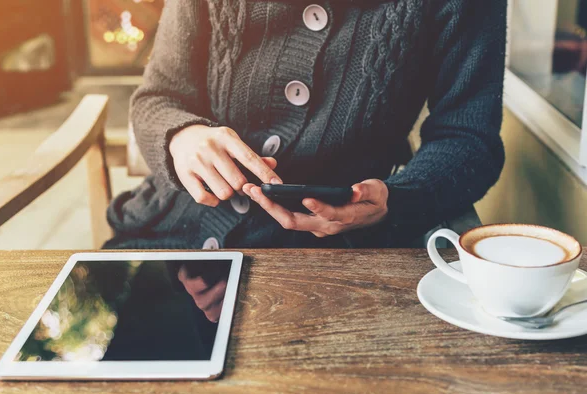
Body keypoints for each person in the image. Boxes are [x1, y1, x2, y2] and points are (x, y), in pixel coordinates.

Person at [105, 0, 507, 250]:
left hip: (331, 260)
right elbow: (158, 97)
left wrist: (397, 201)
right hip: (167, 240)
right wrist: (181, 137)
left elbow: (469, 138)